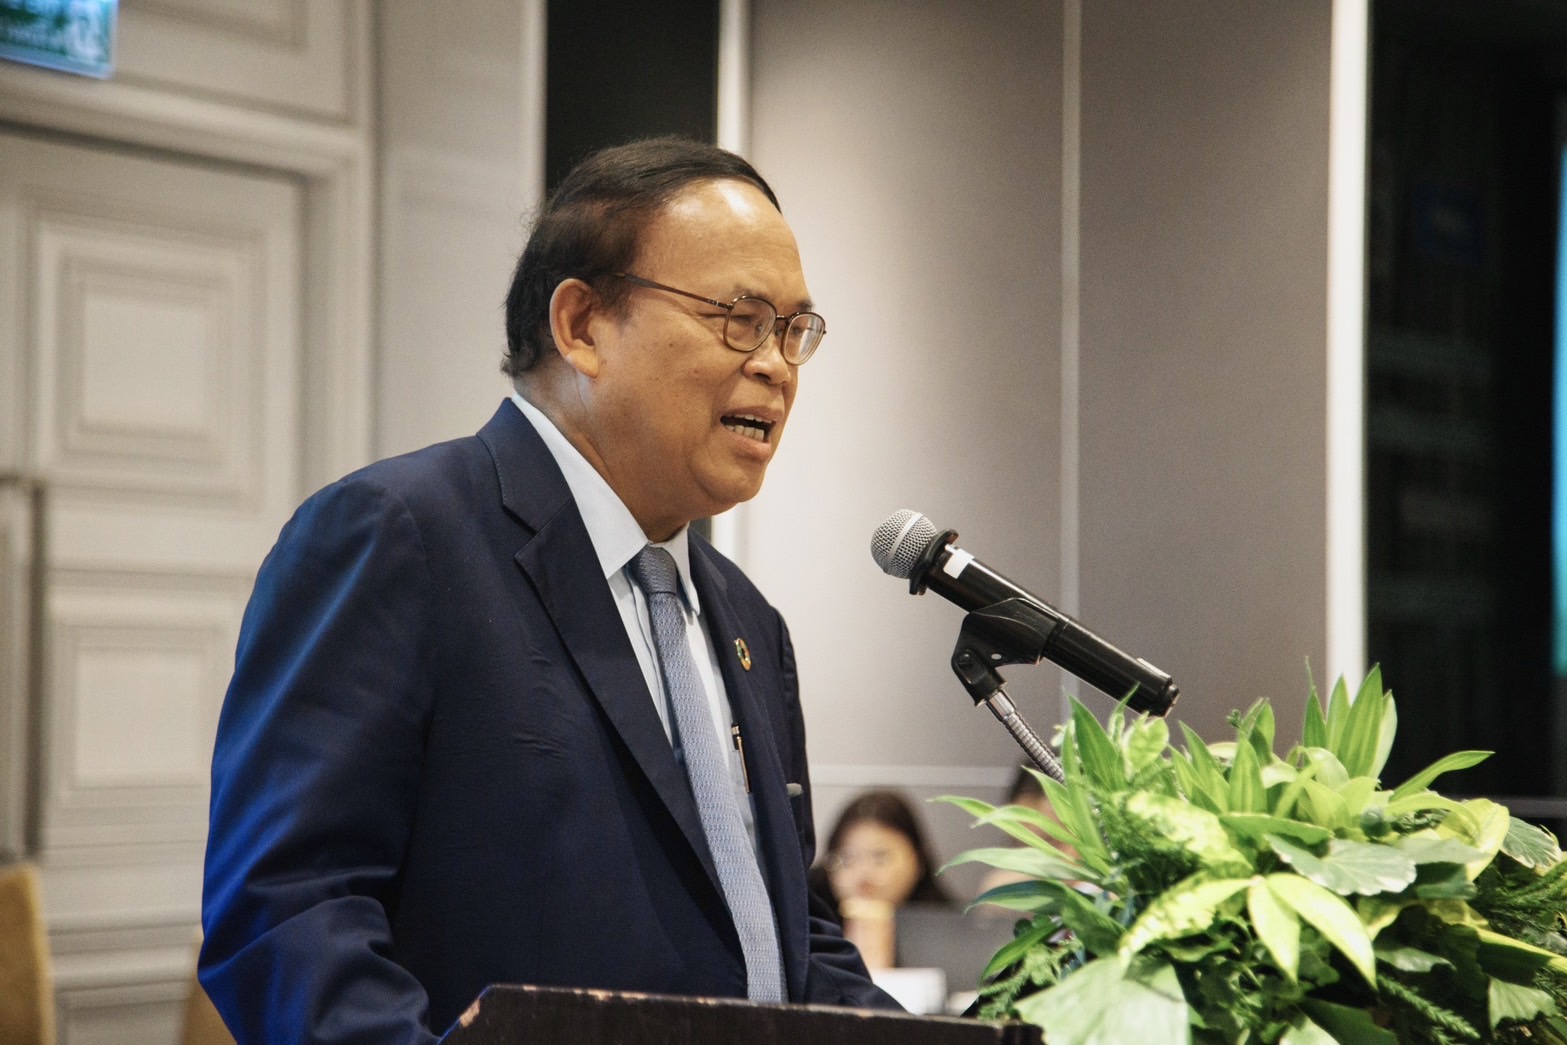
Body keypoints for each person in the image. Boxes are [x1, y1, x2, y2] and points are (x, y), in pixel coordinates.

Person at [198, 138, 896, 1044]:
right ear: (582, 325)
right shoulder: (398, 536)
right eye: (740, 317)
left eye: (794, 329)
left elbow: (788, 940)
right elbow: (290, 913)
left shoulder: (747, 619)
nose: (776, 364)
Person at [809, 790, 952, 969]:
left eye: (880, 858)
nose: (863, 876)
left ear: (919, 860)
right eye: (846, 859)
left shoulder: (949, 934)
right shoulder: (808, 928)